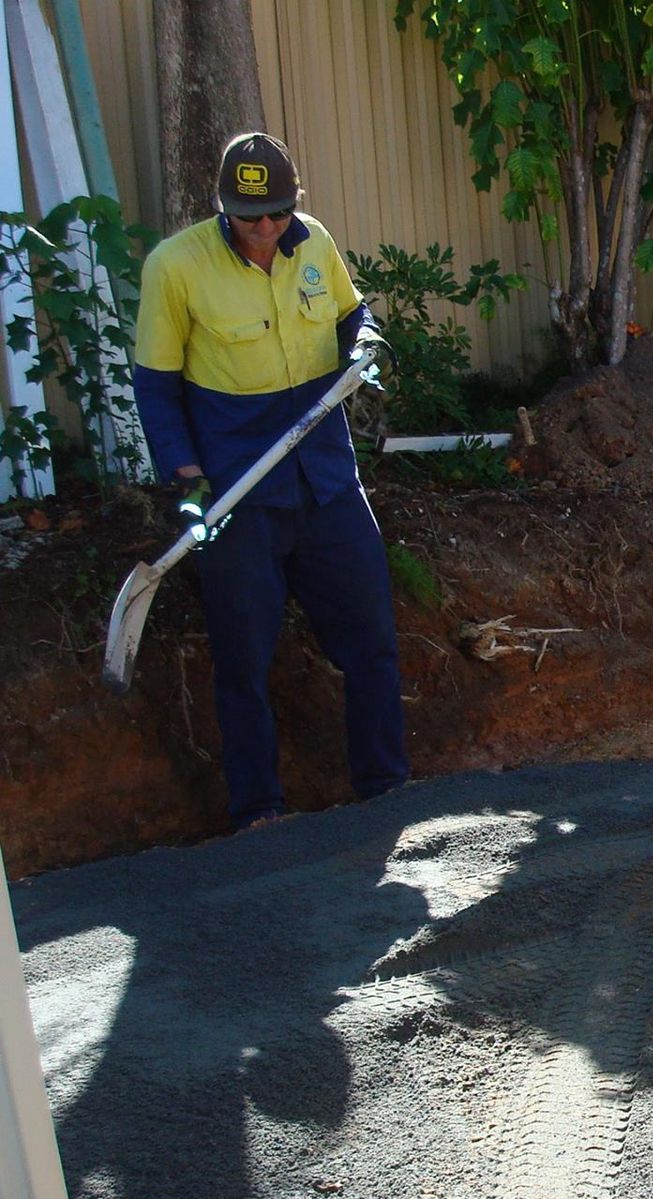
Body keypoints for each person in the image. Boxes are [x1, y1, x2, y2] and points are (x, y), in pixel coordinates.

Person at [132, 132, 407, 830]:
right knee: (242, 657)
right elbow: (156, 388)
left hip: (324, 475)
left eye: (277, 214)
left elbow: (351, 314)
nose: (264, 229)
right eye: (249, 216)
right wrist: (187, 477)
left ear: (295, 204)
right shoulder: (175, 267)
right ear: (222, 206)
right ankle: (259, 813)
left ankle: (386, 788)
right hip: (238, 488)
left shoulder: (315, 243)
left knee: (371, 636)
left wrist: (366, 341)